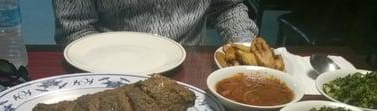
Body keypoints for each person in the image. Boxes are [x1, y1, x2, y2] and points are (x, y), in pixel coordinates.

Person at [52, 0, 259, 47]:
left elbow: (227, 7)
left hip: (191, 65)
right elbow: (76, 28)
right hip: (109, 69)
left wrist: (245, 48)